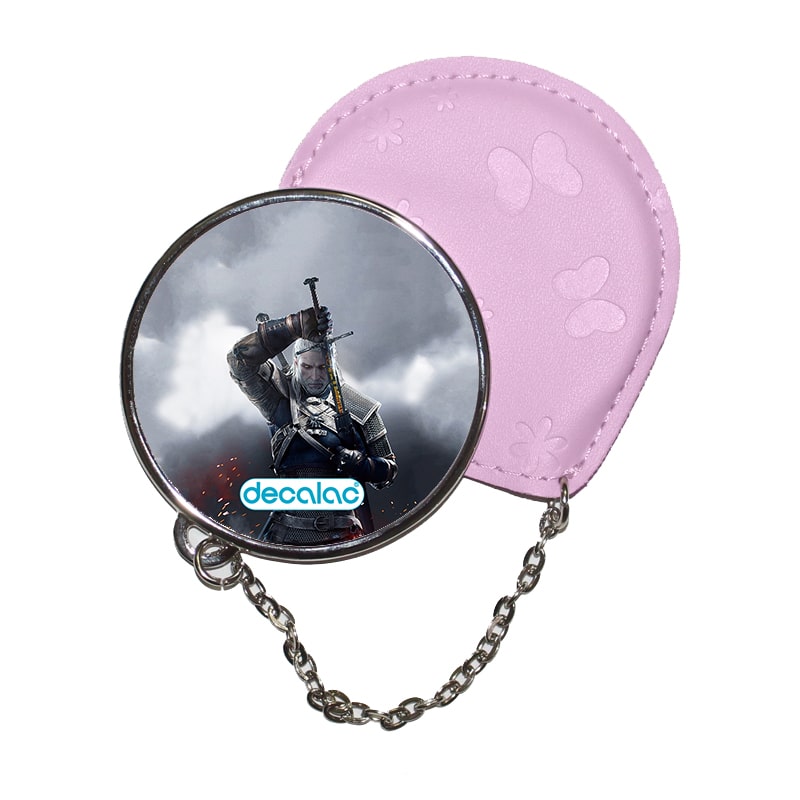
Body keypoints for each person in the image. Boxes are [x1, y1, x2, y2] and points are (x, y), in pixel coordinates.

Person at [227, 304, 397, 545]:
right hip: (285, 536)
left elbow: (387, 474)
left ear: (333, 364)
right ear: (296, 363)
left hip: (343, 538)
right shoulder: (280, 397)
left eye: (322, 368)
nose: (315, 377)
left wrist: (364, 465)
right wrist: (295, 325)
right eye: (307, 367)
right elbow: (238, 360)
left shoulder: (360, 408)